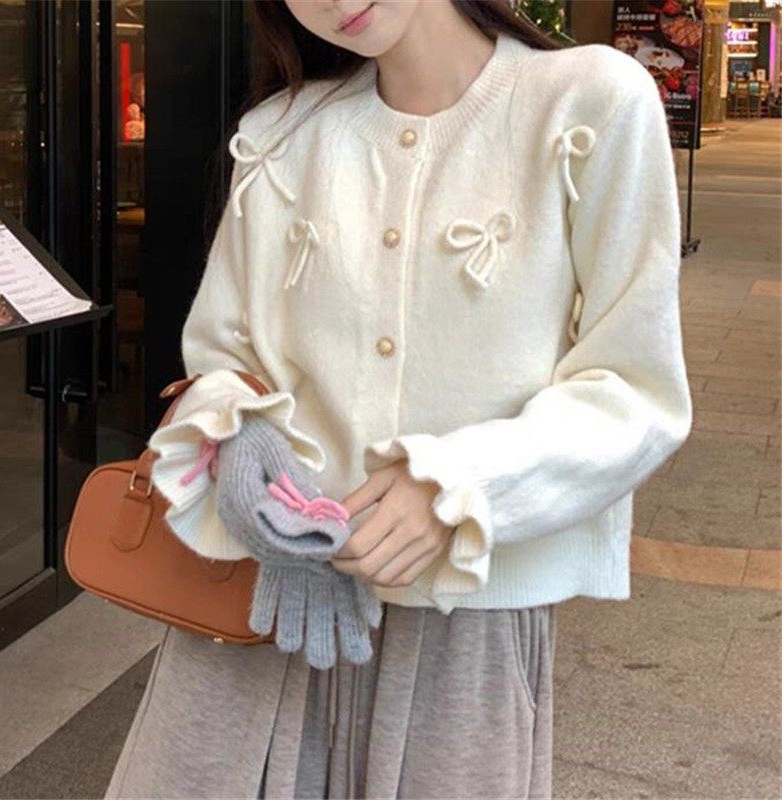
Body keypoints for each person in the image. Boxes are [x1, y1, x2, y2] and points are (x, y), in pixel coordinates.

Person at [104, 1, 693, 798]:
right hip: (267, 605)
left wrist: (457, 487)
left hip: (463, 618)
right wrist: (241, 444)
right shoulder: (282, 132)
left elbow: (636, 387)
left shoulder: (588, 101)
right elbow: (224, 354)